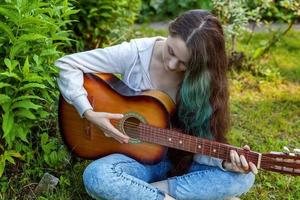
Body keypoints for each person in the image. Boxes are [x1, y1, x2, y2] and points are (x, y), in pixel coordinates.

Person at [55, 9, 257, 200]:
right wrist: (89, 112)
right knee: (97, 175)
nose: (171, 65)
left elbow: (197, 145)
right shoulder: (135, 54)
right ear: (171, 29)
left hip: (179, 159)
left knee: (243, 177)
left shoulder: (204, 82)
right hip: (133, 159)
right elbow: (67, 64)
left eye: (183, 63)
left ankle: (149, 191)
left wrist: (224, 162)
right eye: (171, 51)